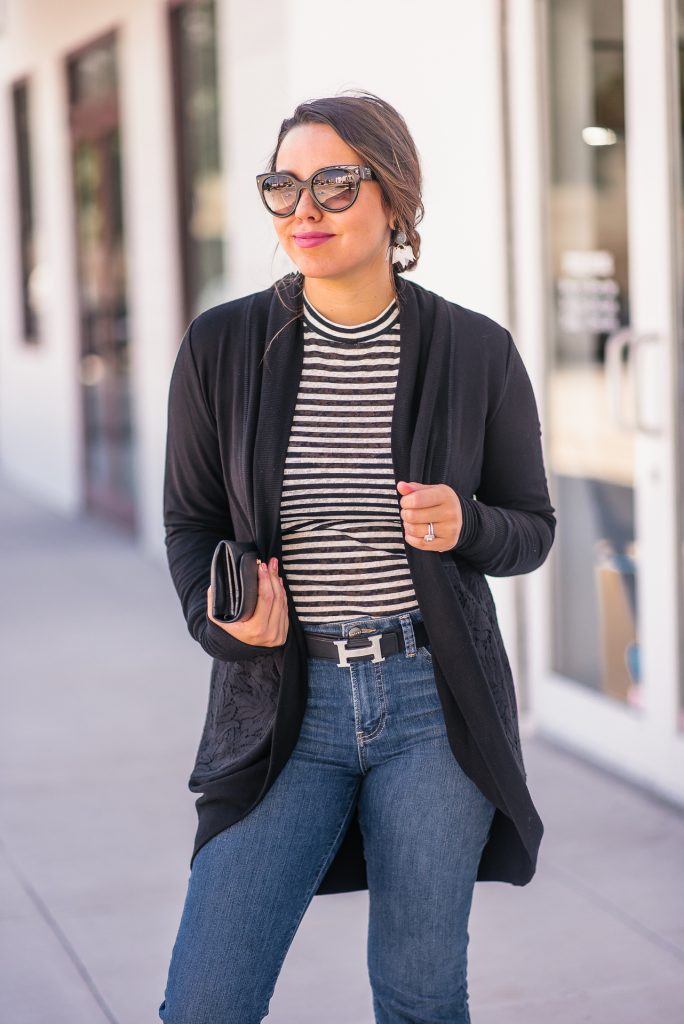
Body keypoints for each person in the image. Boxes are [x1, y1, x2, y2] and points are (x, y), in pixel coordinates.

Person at [159, 91, 556, 1024]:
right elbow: (190, 520)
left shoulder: (474, 350)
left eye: (335, 183)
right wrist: (217, 621)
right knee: (207, 1000)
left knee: (421, 997)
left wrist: (468, 526)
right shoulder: (223, 346)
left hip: (432, 703)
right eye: (283, 185)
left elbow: (531, 525)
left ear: (394, 199)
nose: (306, 208)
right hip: (281, 702)